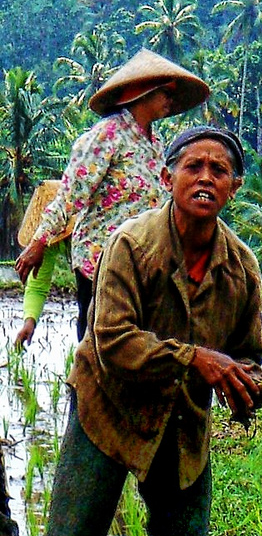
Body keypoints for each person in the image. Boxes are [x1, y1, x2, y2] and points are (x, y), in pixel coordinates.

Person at [2, 126, 262, 536]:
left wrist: (248, 385)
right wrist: (196, 358)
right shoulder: (131, 244)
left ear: (234, 188)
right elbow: (112, 340)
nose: (205, 178)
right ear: (167, 178)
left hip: (181, 422)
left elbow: (249, 352)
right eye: (194, 166)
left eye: (219, 170)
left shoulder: (242, 270)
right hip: (107, 407)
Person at [14, 49, 209, 345]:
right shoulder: (107, 135)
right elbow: (71, 194)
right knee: (96, 349)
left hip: (142, 266)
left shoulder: (155, 146)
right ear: (143, 92)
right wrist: (40, 241)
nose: (171, 100)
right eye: (165, 92)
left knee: (136, 351)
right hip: (100, 261)